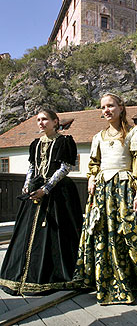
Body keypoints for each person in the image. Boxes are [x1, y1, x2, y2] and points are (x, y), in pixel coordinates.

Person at [73, 93, 137, 305]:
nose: (106, 110)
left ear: (121, 108)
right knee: (101, 233)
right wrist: (92, 178)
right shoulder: (98, 137)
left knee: (127, 234)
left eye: (111, 106)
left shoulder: (135, 134)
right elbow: (94, 164)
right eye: (103, 107)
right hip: (102, 191)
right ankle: (104, 282)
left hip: (124, 189)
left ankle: (130, 281)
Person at [0, 109, 83, 296]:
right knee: (27, 233)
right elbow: (32, 167)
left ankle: (54, 274)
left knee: (56, 232)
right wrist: (27, 184)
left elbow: (65, 168)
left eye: (45, 119)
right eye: (38, 120)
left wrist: (46, 189)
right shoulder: (35, 144)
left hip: (58, 192)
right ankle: (22, 274)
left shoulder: (64, 141)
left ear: (55, 121)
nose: (41, 123)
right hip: (36, 189)